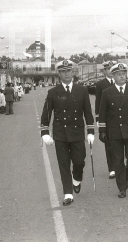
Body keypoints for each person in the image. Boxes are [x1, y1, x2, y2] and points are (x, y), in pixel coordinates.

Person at [40, 59, 95, 206]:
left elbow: (88, 113)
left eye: (69, 71)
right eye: (63, 71)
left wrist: (90, 131)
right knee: (63, 163)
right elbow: (46, 113)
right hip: (61, 134)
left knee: (79, 161)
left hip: (77, 133)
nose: (66, 74)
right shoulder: (53, 92)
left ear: (73, 72)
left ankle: (77, 178)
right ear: (59, 73)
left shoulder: (82, 90)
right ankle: (68, 193)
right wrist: (44, 132)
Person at [98, 63, 128, 198]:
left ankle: (127, 176)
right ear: (113, 76)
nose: (122, 76)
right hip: (114, 131)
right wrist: (102, 130)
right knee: (118, 161)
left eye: (124, 73)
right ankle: (122, 187)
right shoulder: (107, 92)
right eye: (119, 74)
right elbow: (102, 113)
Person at [95, 60, 117, 179]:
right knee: (109, 144)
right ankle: (112, 168)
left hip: (119, 118)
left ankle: (118, 165)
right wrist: (98, 119)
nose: (110, 71)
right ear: (105, 71)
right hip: (107, 119)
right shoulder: (100, 84)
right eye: (108, 69)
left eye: (112, 68)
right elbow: (98, 102)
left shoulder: (120, 81)